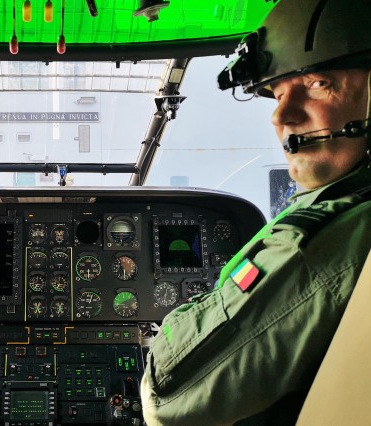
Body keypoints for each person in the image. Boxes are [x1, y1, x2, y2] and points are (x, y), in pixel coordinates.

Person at [140, 0, 371, 424]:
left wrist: (192, 315)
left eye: (317, 84)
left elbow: (167, 394)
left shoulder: (321, 243)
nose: (281, 116)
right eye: (278, 94)